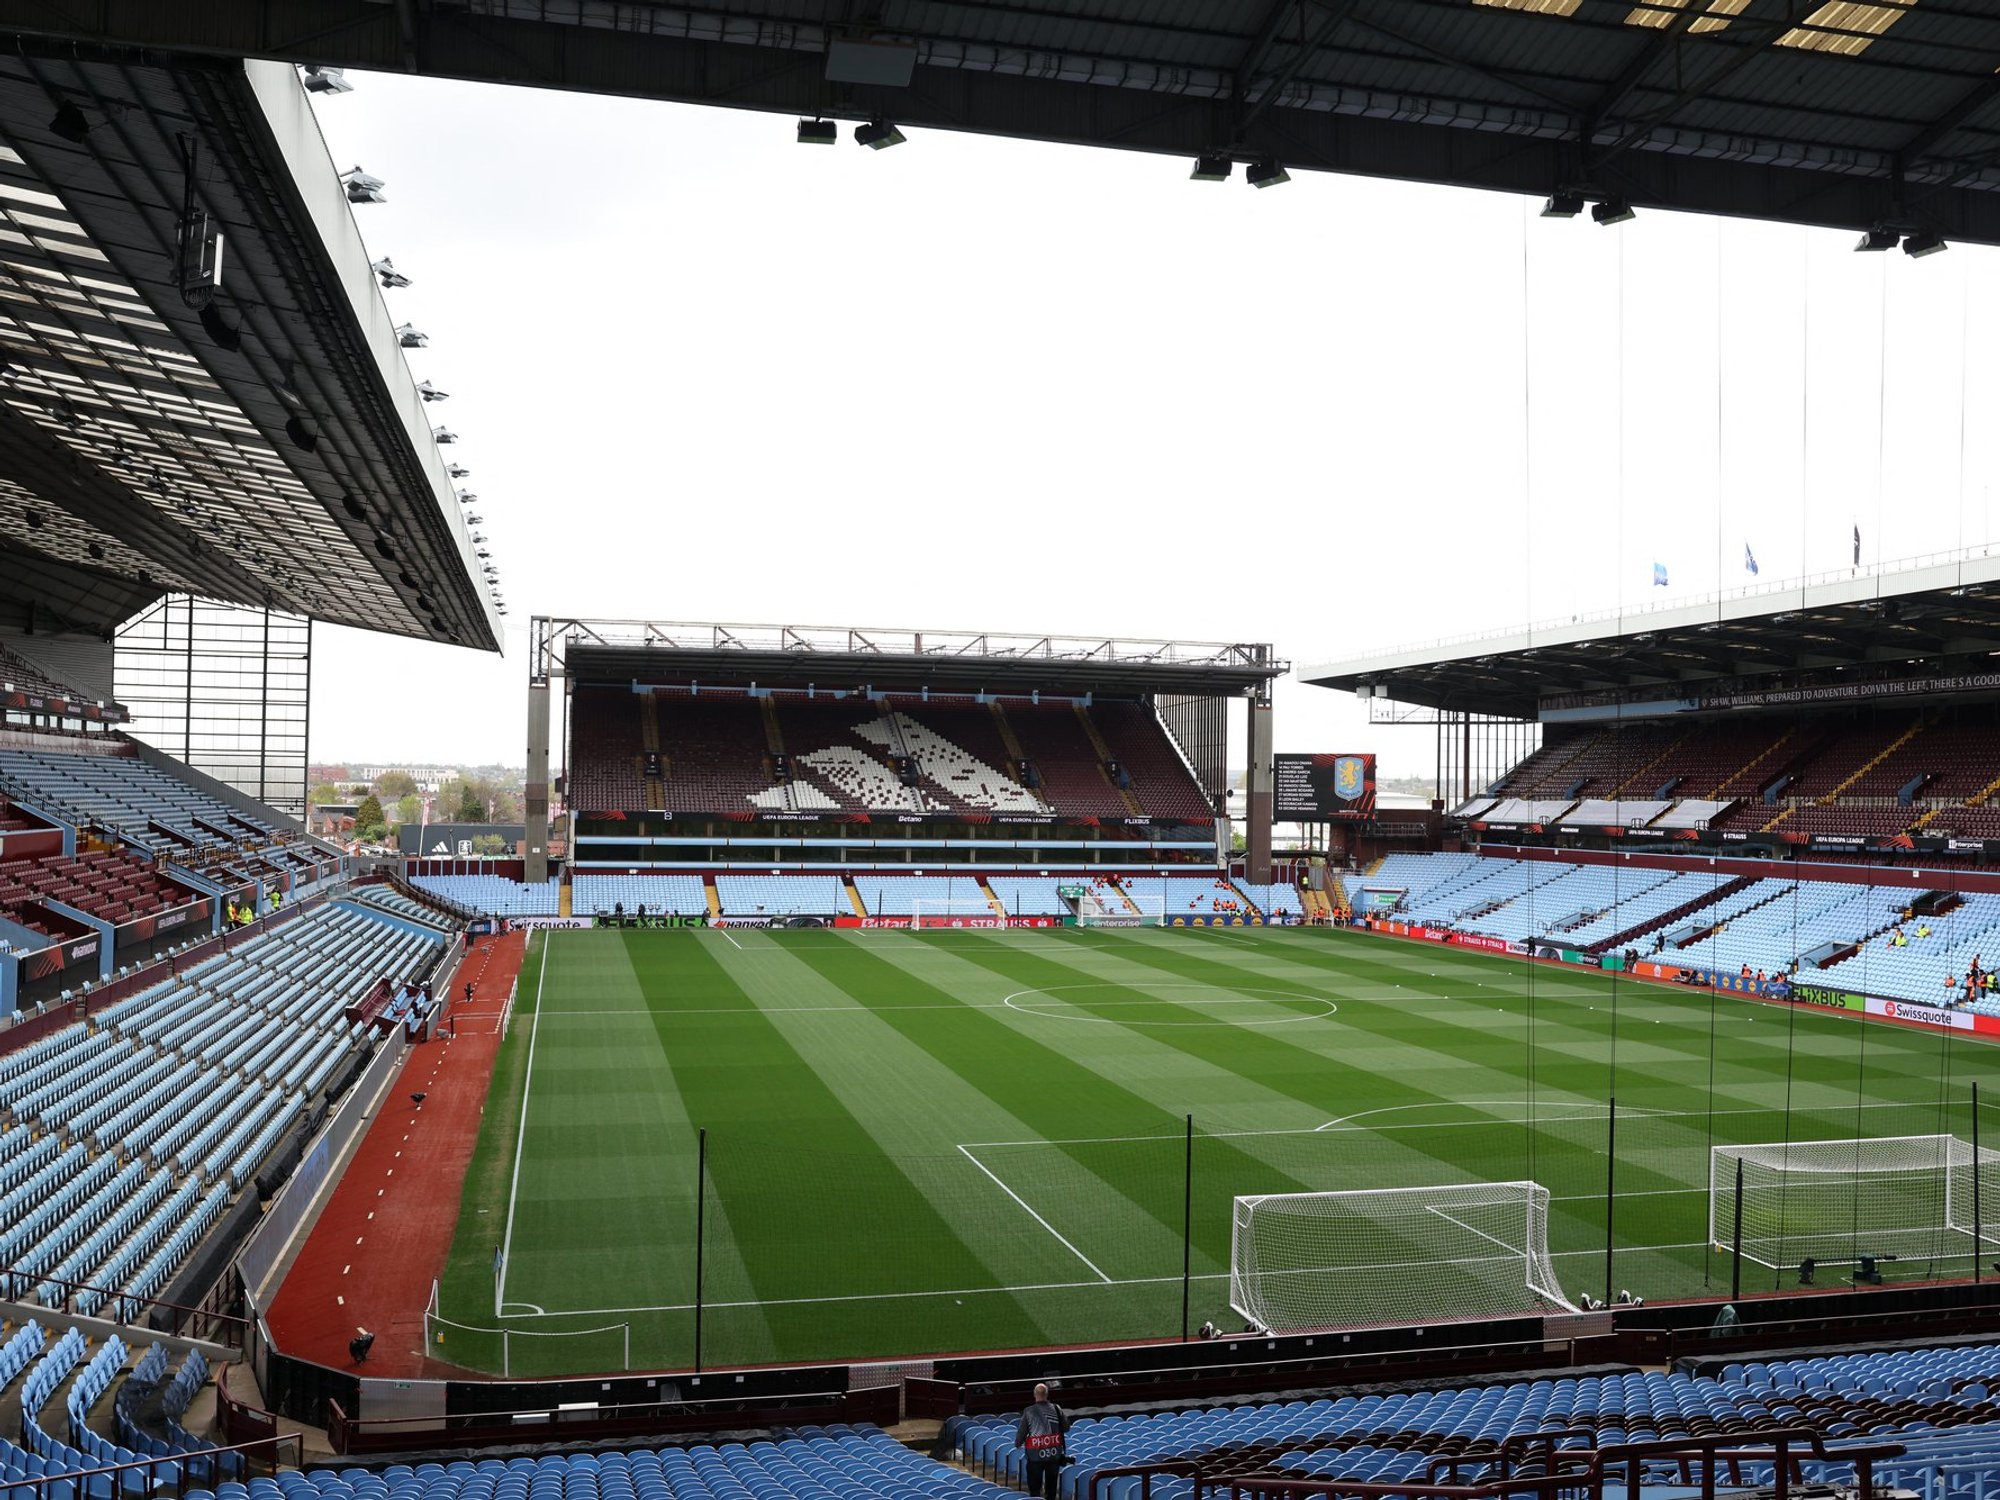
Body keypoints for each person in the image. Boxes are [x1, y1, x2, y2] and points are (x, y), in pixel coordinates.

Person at [1015, 1382, 1068, 1500]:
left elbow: (1022, 1432)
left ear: (1034, 1394)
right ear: (1047, 1394)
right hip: (1054, 1455)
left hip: (1035, 1457)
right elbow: (1066, 1427)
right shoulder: (1056, 1408)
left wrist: (1017, 1443)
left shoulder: (1029, 1411)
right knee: (1052, 1490)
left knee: (1034, 1490)